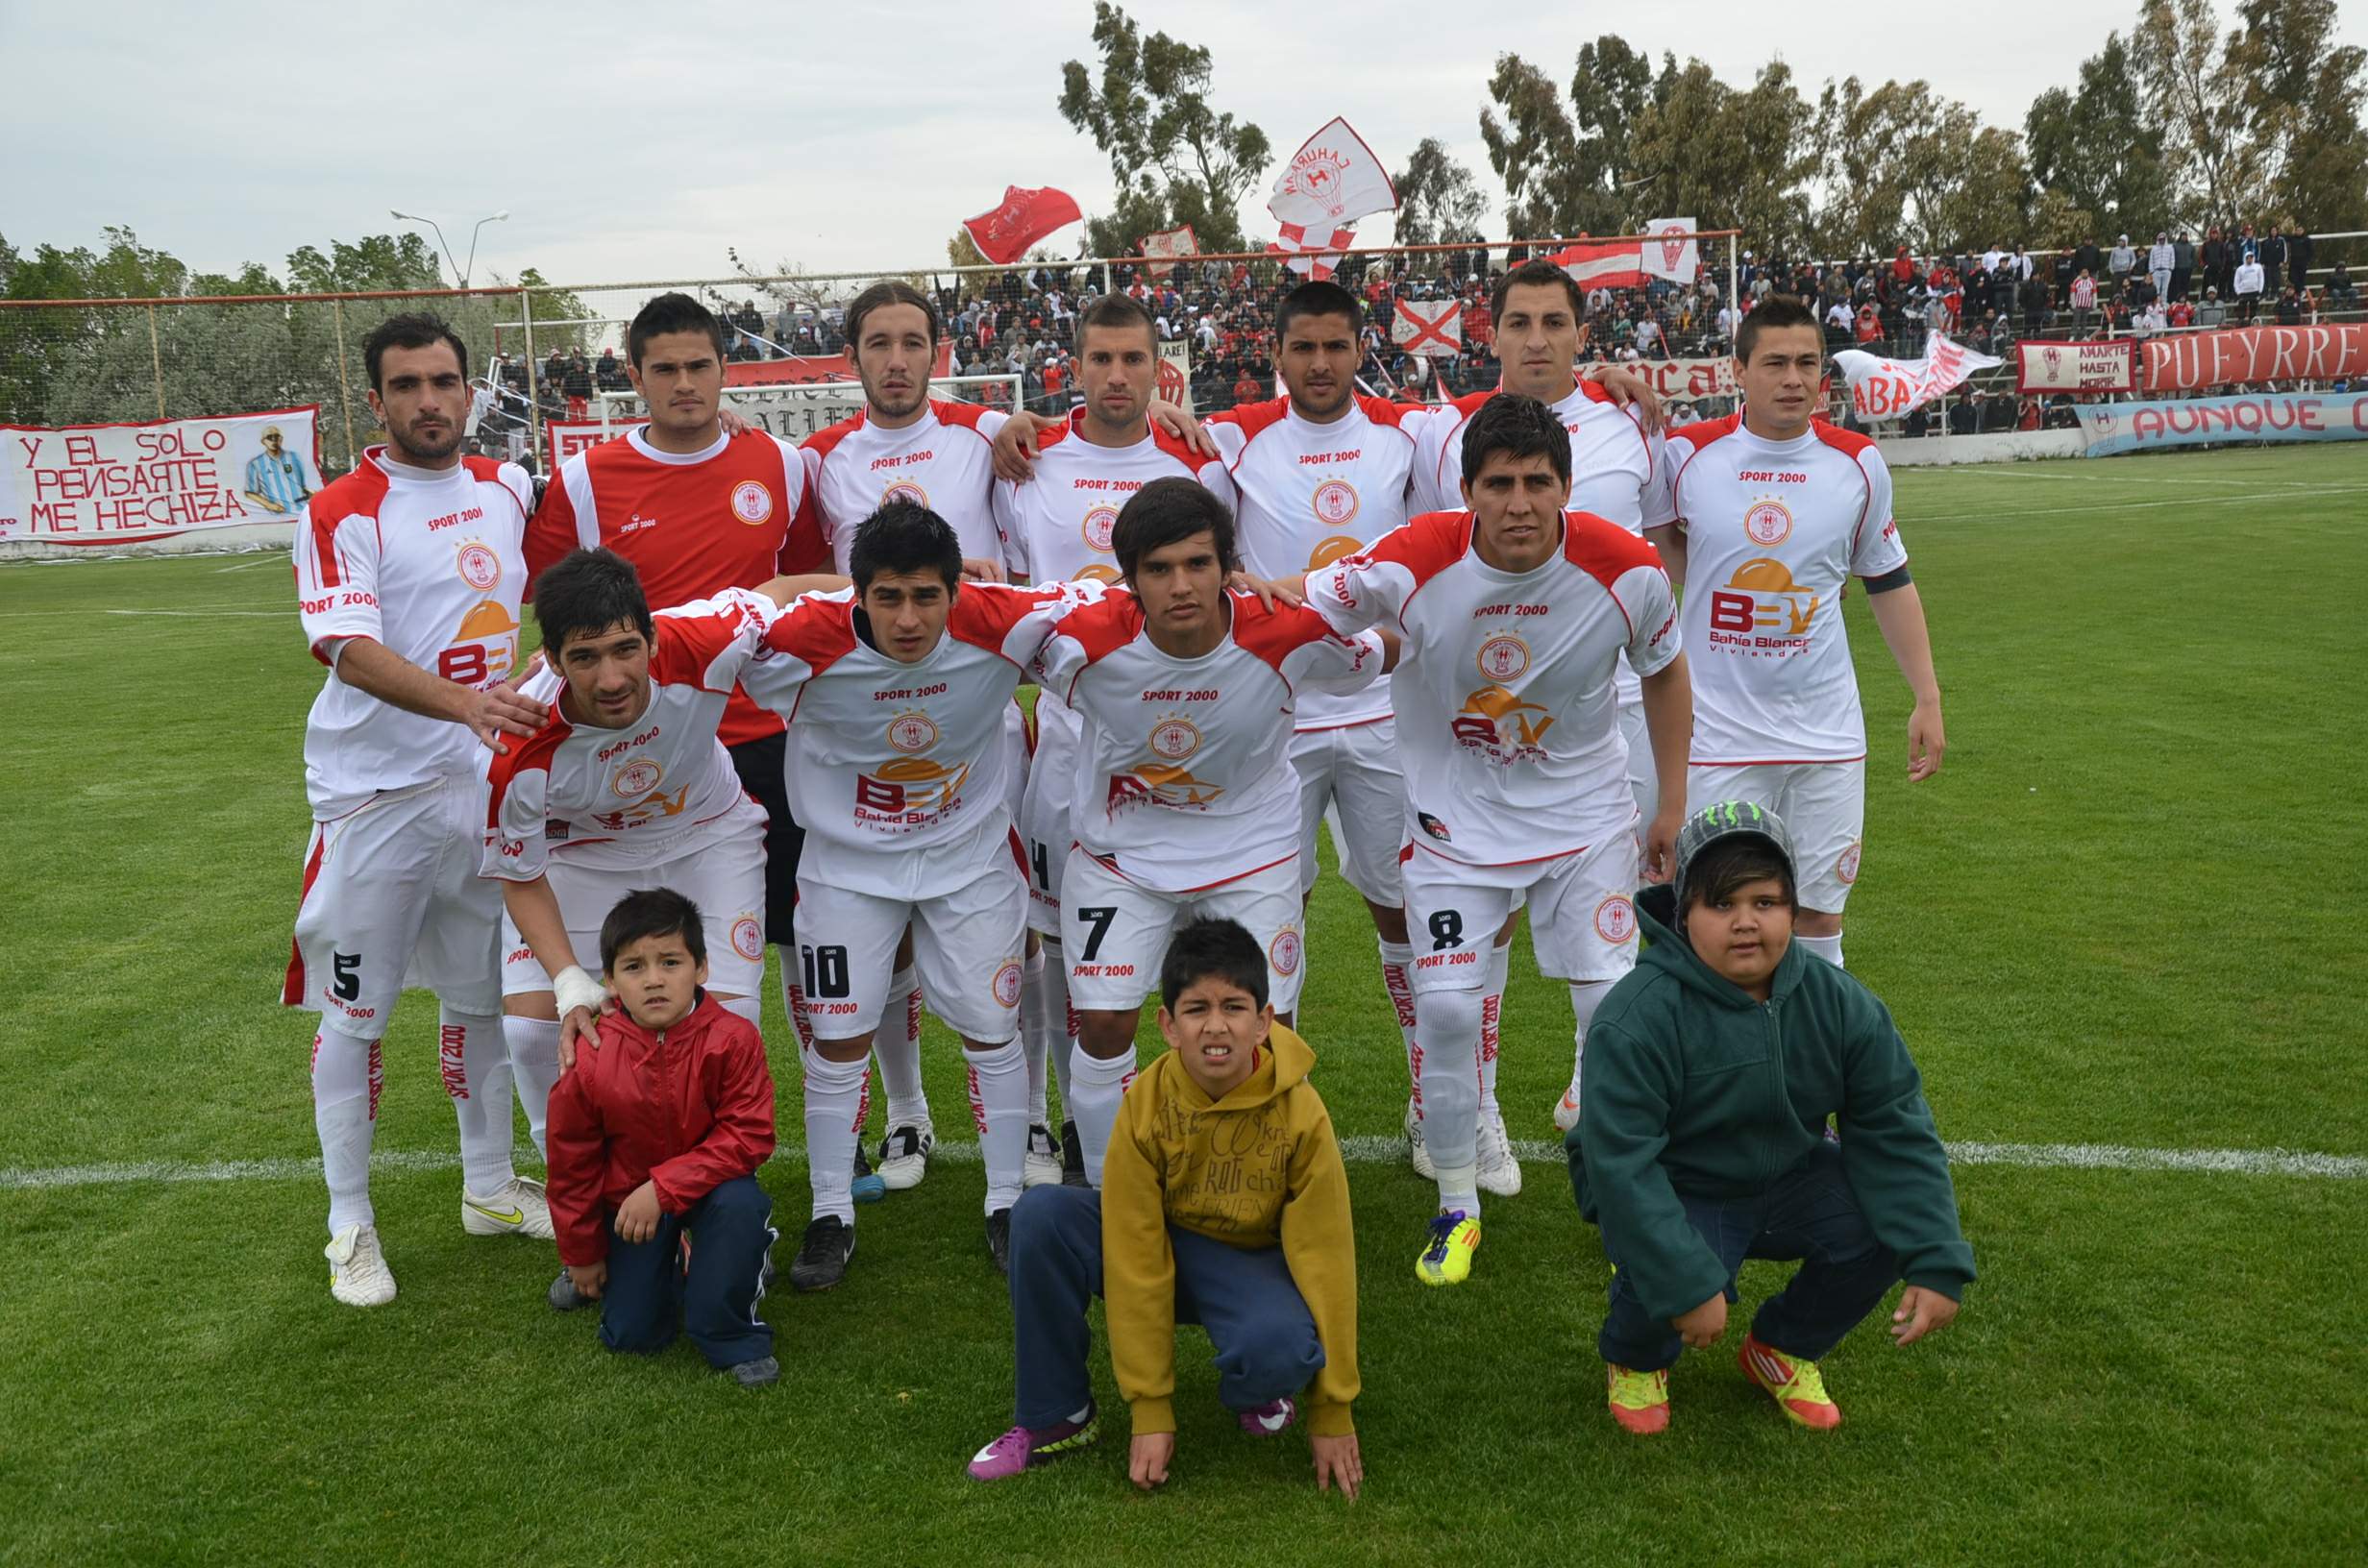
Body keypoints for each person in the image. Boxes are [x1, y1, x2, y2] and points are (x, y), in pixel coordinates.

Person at [1294, 393, 1690, 1287]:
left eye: (1537, 483)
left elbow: (1665, 674)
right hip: (1452, 829)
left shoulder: (1627, 569)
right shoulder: (1412, 558)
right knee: (1444, 1013)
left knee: (1612, 1012)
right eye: (1499, 484)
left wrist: (1671, 803)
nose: (1519, 503)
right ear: (1465, 490)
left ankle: (1622, 1190)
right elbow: (1306, 608)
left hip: (1585, 819)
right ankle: (1457, 1206)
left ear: (1567, 488)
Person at [735, 502, 1098, 1285]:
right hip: (845, 867)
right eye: (889, 597)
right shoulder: (801, 643)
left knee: (993, 1026)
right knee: (838, 1035)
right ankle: (831, 1210)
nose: (908, 618)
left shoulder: (1002, 622)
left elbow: (1104, 600)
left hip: (967, 861)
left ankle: (1007, 1202)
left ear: (956, 591)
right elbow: (709, 639)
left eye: (927, 597)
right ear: (856, 594)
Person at [288, 312, 552, 1307]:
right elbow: (345, 650)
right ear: (378, 400)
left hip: (481, 790)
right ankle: (348, 1224)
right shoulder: (342, 510)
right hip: (376, 798)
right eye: (408, 386)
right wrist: (467, 706)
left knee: (481, 998)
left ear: (470, 389)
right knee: (356, 1014)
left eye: (446, 382)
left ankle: (488, 1188)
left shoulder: (508, 486)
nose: (431, 402)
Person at [524, 291, 826, 1144]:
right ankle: (645, 1135)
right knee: (648, 959)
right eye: (666, 369)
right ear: (635, 376)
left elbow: (802, 587)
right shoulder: (586, 482)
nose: (686, 384)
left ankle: (846, 1122)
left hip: (767, 740)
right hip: (637, 752)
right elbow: (553, 603)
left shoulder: (782, 464)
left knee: (800, 944)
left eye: (700, 366)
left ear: (726, 369)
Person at [1033, 478, 1389, 1188]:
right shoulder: (1079, 639)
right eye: (1158, 570)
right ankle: (1111, 1193)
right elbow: (968, 634)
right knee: (1102, 1026)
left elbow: (1396, 645)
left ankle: (1255, 1185)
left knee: (1268, 1028)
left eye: (1198, 564)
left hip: (1250, 856)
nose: (1180, 585)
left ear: (1228, 566)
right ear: (1129, 580)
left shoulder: (1287, 629)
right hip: (1121, 859)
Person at [1574, 802, 1974, 1433]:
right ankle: (1636, 1358)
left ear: (1792, 909)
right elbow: (1621, 1163)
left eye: (1765, 902)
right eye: (1721, 904)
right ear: (1683, 913)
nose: (1745, 924)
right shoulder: (1637, 1015)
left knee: (1880, 1220)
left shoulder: (1838, 1002)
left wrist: (1935, 1254)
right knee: (1672, 1265)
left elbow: (1894, 1126)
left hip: (1789, 1175)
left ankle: (1780, 1347)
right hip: (1682, 1185)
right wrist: (1684, 1278)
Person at [1399, 258, 1677, 1144]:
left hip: (1615, 707)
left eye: (1555, 323)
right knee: (1491, 906)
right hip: (1493, 712)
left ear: (1581, 335)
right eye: (1518, 322)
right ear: (1491, 334)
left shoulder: (1633, 426)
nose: (1536, 339)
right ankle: (1474, 1105)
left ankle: (1586, 1087)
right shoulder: (1442, 434)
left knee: (1606, 920)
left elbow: (1667, 547)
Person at [481, 549, 819, 1232]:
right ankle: (587, 1211)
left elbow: (781, 587)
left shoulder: (704, 638)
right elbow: (520, 874)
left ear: (654, 637)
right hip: (586, 850)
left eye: (626, 649)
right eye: (584, 658)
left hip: (706, 833)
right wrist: (571, 979)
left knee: (726, 1029)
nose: (611, 678)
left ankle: (718, 1215)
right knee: (531, 1029)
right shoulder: (518, 744)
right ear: (549, 659)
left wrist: (895, 587)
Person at [967, 918, 1362, 1497]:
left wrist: (1333, 1411)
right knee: (1042, 1215)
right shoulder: (1147, 1103)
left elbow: (1327, 1257)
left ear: (1264, 1021)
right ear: (1168, 1026)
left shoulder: (1304, 1114)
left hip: (1249, 1263)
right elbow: (1135, 1252)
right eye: (1196, 1009)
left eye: (1234, 1005)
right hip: (1164, 1243)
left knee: (1278, 1346)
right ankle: (1058, 1414)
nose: (1216, 1025)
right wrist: (1151, 1409)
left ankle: (1259, 1383)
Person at [988, 292, 1239, 1185]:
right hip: (1066, 739)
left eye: (1135, 360)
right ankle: (1063, 1123)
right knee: (1057, 942)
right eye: (1101, 360)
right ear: (1075, 366)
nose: (1118, 377)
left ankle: (1179, 1119)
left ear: (1157, 366)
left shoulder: (1198, 462)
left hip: (1183, 741)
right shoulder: (1023, 461)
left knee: (1182, 936)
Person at [1195, 282, 1439, 1188]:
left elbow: (1514, 407)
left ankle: (1432, 1096)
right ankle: (1268, 1113)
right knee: (1270, 913)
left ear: (1359, 346)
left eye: (1338, 347)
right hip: (1280, 717)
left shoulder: (1406, 433)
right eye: (1305, 348)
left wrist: (1610, 382)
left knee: (1400, 905)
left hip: (1385, 712)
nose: (1322, 364)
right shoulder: (1234, 439)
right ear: (1279, 352)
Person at [801, 280, 1021, 1194]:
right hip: (864, 712)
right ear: (851, 356)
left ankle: (1024, 1135)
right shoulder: (815, 458)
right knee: (876, 943)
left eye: (912, 343)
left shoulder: (989, 436)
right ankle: (905, 1113)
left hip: (976, 706)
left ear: (939, 352)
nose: (896, 360)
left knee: (1011, 932)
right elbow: (806, 578)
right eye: (878, 343)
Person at [1649, 295, 1945, 972]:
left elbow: (1887, 579)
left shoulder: (1858, 463)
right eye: (1776, 363)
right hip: (1717, 737)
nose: (1793, 378)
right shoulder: (1687, 455)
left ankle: (1811, 1067)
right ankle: (1718, 1068)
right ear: (1739, 370)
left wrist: (1926, 696)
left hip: (1826, 736)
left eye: (1807, 363)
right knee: (1714, 912)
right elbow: (1657, 550)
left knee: (1817, 917)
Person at [544, 889, 781, 1386]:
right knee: (633, 1332)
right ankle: (666, 1264)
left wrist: (663, 1188)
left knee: (741, 1206)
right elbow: (571, 1162)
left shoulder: (734, 1038)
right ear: (608, 983)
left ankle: (732, 1330)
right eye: (634, 967)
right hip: (629, 1203)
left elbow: (749, 1135)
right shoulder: (591, 1054)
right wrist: (581, 1253)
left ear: (701, 969)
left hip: (711, 1191)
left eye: (670, 962)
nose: (653, 979)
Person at [243, 425, 313, 515]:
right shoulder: (256, 464)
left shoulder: (294, 457)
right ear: (263, 441)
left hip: (302, 511)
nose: (273, 440)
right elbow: (250, 492)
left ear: (281, 439)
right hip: (278, 515)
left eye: (276, 436)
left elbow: (303, 486)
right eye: (269, 437)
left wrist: (312, 493)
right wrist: (269, 505)